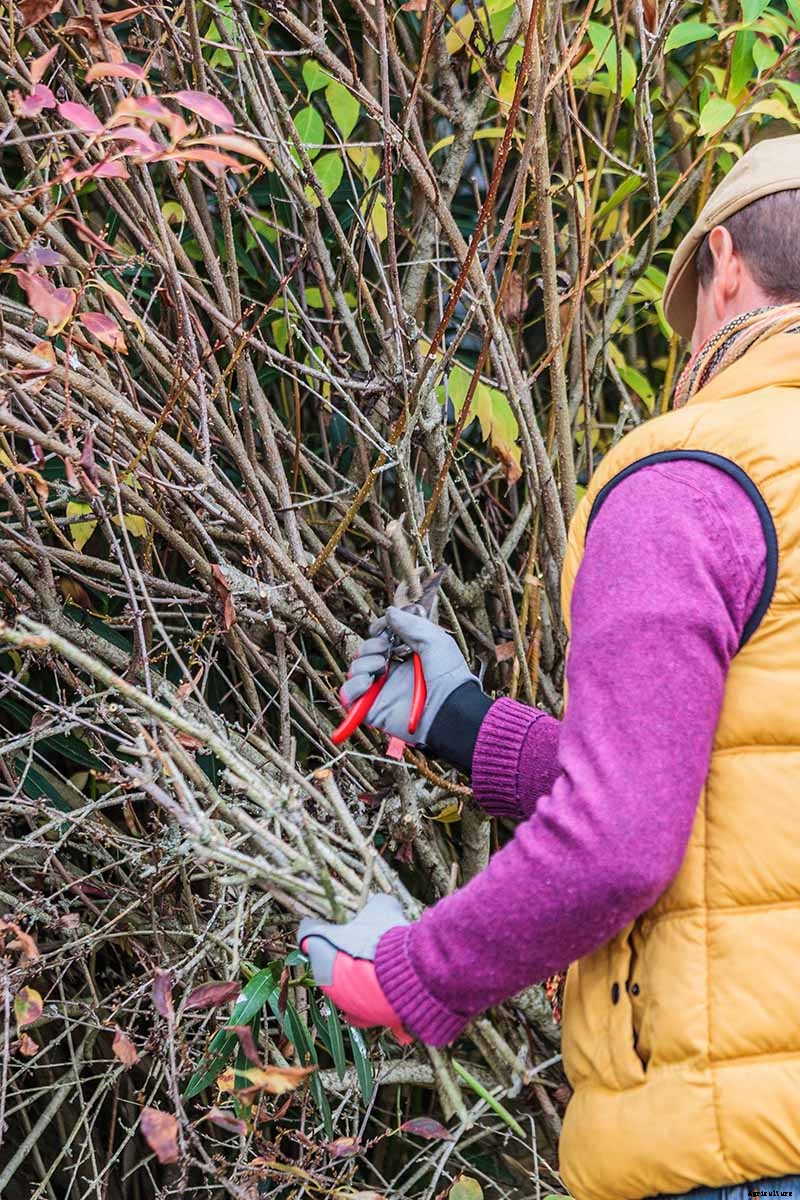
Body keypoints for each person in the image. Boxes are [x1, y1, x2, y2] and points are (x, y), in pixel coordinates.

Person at [299, 135, 800, 1200]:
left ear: (721, 266)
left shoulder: (692, 476)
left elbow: (623, 841)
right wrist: (471, 725)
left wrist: (409, 974)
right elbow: (742, 794)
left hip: (741, 1160)